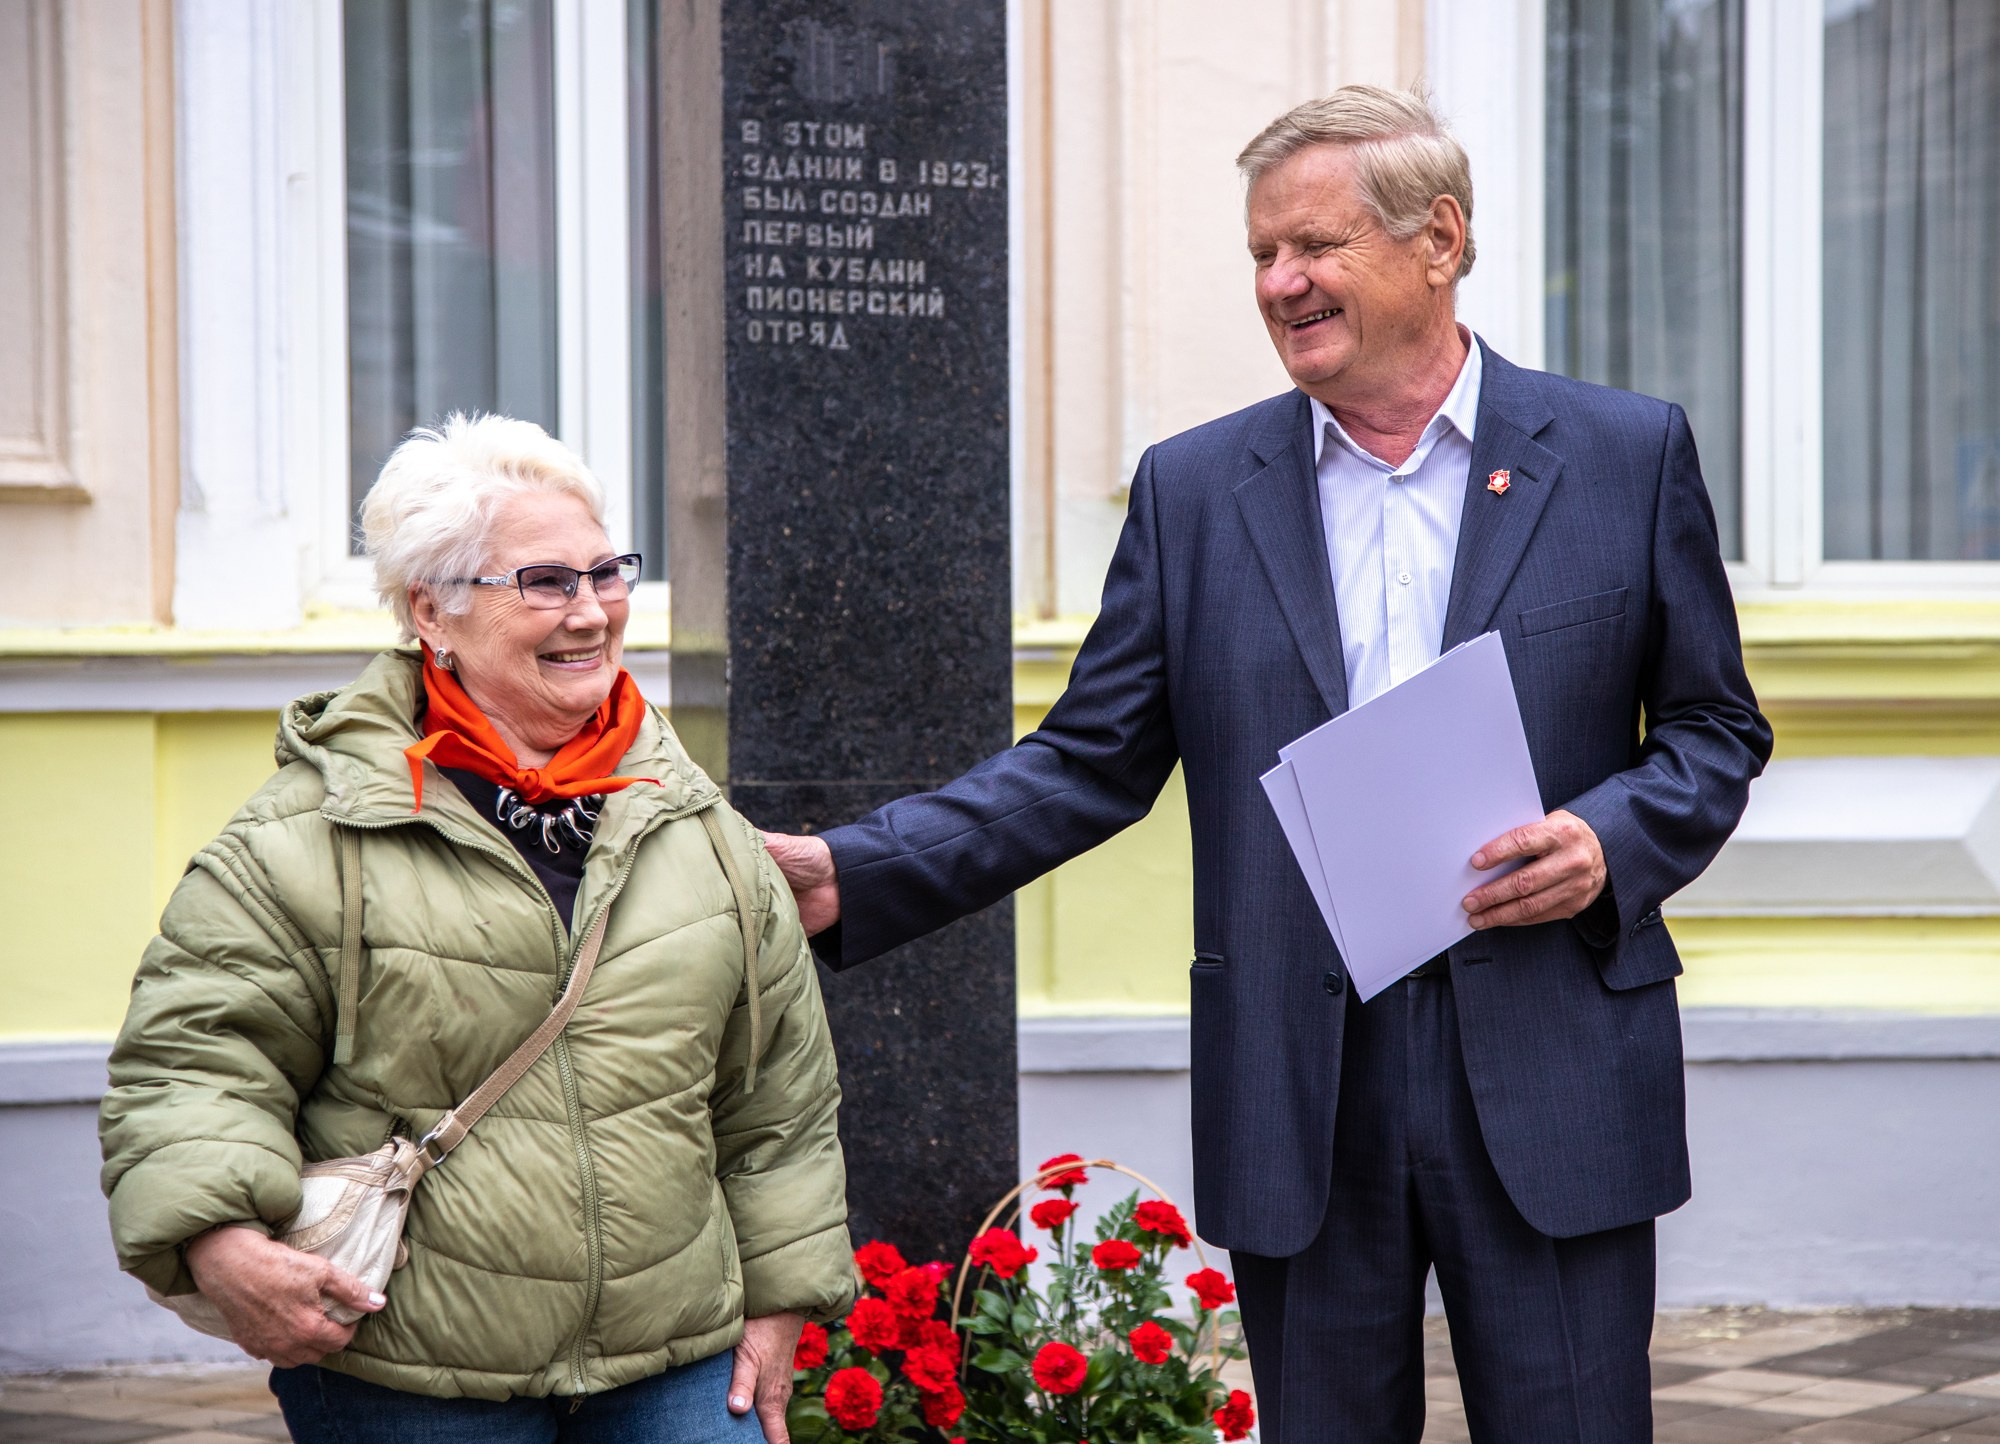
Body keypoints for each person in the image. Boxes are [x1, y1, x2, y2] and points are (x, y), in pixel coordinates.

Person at [762, 87, 1771, 1442]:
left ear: (1440, 238)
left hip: (1551, 1061)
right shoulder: (1194, 490)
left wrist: (1608, 842)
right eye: (1260, 256)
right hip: (1304, 1081)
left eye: (1314, 247)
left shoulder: (1622, 455)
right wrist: (854, 869)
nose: (1281, 283)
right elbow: (1087, 761)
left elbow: (1714, 733)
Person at [100, 415, 853, 1443]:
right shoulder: (305, 835)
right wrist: (219, 1244)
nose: (590, 611)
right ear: (431, 610)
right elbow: (194, 1066)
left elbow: (776, 1097)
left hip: (675, 1363)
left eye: (606, 571)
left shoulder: (698, 829)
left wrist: (780, 1296)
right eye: (544, 581)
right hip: (409, 1369)